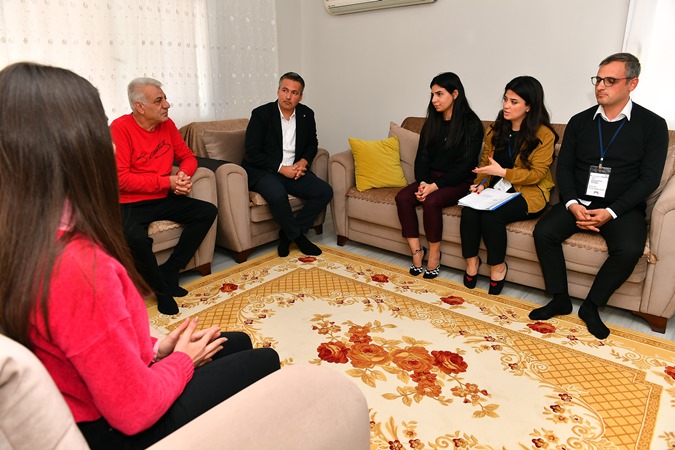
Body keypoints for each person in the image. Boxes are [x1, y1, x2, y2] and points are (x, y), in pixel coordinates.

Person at [0, 62, 281, 449]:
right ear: (72, 145)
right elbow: (134, 410)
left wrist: (155, 349)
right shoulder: (79, 268)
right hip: (112, 429)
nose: (110, 144)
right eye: (98, 128)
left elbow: (90, 345)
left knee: (235, 342)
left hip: (84, 395)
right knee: (265, 359)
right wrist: (182, 361)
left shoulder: (24, 235)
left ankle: (169, 277)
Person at [529, 53, 669, 339]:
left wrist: (612, 212)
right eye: (598, 79)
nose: (601, 86)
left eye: (610, 80)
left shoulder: (653, 125)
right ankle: (560, 298)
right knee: (543, 232)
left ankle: (591, 306)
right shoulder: (580, 121)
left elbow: (649, 179)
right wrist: (571, 203)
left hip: (621, 208)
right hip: (578, 202)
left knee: (629, 249)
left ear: (632, 84)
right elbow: (565, 167)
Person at [111, 77, 218, 315]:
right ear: (139, 107)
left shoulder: (167, 125)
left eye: (165, 99)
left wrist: (182, 176)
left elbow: (188, 157)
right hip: (130, 203)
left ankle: (170, 269)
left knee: (207, 212)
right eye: (159, 101)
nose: (167, 105)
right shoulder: (120, 128)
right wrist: (166, 182)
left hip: (162, 196)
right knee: (137, 240)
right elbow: (121, 179)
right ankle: (160, 290)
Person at [460, 76, 558, 295]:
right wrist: (481, 184)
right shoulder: (495, 130)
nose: (506, 105)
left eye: (514, 102)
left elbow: (536, 175)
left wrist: (503, 173)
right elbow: (486, 164)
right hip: (496, 190)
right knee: (469, 211)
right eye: (505, 99)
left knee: (491, 216)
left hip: (528, 193)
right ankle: (472, 262)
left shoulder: (544, 135)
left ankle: (498, 266)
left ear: (529, 106)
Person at [395, 72, 484, 279]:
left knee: (432, 201)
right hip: (431, 178)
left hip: (460, 180)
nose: (434, 99)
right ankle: (417, 252)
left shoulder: (471, 124)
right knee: (402, 198)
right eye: (432, 94)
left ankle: (434, 254)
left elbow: (465, 166)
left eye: (439, 94)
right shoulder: (432, 122)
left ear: (455, 94)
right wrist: (423, 182)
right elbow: (422, 158)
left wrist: (434, 187)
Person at [242, 72, 333, 257]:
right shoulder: (261, 114)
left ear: (300, 96)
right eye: (285, 90)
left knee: (325, 191)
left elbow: (312, 143)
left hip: (294, 169)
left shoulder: (307, 114)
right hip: (265, 171)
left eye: (294, 93)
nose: (288, 96)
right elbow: (252, 152)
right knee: (277, 194)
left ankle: (287, 234)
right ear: (278, 91)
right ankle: (298, 238)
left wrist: (303, 162)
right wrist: (282, 169)